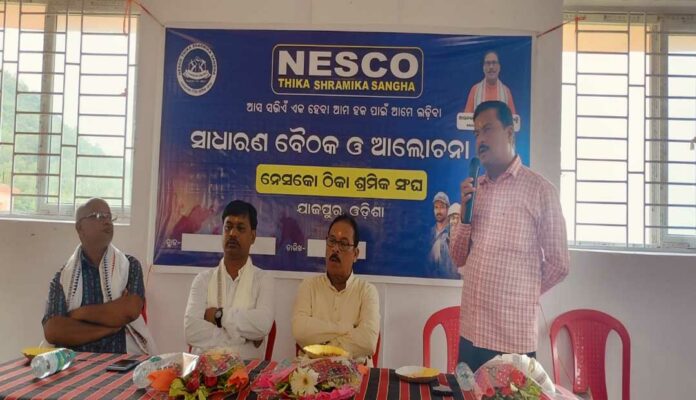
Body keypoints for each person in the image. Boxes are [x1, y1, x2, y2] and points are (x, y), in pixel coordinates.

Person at [450, 101, 569, 371]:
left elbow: (559, 263)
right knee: (466, 391)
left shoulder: (540, 190)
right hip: (471, 333)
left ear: (509, 133)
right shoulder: (475, 190)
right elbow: (458, 257)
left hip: (511, 338)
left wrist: (523, 293)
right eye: (476, 133)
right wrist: (465, 213)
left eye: (487, 129)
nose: (480, 139)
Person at [42, 198, 156, 354]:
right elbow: (54, 331)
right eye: (99, 216)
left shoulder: (129, 266)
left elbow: (129, 310)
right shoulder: (62, 277)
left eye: (109, 216)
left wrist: (79, 313)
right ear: (80, 228)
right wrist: (111, 327)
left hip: (122, 361)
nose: (107, 222)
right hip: (76, 363)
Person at [184, 200, 274, 358]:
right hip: (206, 368)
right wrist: (242, 337)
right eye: (228, 227)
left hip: (248, 369)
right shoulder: (203, 280)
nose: (232, 233)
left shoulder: (263, 280)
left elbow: (262, 324)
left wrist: (218, 316)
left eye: (240, 228)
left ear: (252, 236)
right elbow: (191, 331)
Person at [292, 214, 380, 365]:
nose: (335, 249)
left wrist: (323, 349)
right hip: (312, 373)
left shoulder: (367, 291)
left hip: (356, 372)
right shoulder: (308, 286)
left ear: (355, 254)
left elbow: (368, 342)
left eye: (344, 244)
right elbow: (299, 331)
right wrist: (347, 328)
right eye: (332, 241)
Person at [430, 192, 457, 278]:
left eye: (442, 207)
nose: (438, 211)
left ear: (448, 209)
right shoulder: (430, 232)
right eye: (436, 207)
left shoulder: (453, 231)